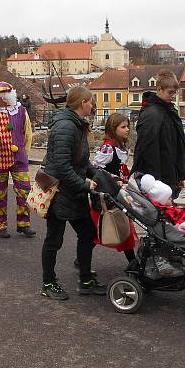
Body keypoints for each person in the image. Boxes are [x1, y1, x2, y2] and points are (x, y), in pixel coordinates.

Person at [40, 86, 105, 300]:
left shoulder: (76, 124)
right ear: (81, 103)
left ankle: (85, 279)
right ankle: (48, 283)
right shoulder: (67, 126)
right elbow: (61, 166)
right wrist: (85, 185)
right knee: (53, 240)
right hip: (59, 191)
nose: (93, 105)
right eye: (90, 101)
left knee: (88, 233)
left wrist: (97, 175)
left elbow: (81, 159)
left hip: (72, 191)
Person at [0, 81, 35, 239]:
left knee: (24, 190)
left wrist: (25, 152)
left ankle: (24, 224)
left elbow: (27, 132)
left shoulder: (21, 110)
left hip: (19, 159)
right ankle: (1, 225)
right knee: (1, 194)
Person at [132, 70, 185, 199]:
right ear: (159, 89)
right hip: (158, 174)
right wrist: (156, 181)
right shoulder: (152, 114)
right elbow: (147, 150)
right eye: (170, 92)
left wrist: (178, 175)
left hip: (169, 170)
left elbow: (176, 144)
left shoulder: (167, 110)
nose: (173, 96)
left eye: (174, 93)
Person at [92, 113, 137, 263]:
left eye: (128, 127)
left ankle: (132, 261)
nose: (127, 130)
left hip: (120, 191)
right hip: (109, 192)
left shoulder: (120, 147)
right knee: (108, 225)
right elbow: (97, 170)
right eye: (123, 127)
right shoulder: (108, 148)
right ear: (113, 129)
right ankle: (132, 262)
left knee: (120, 224)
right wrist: (114, 179)